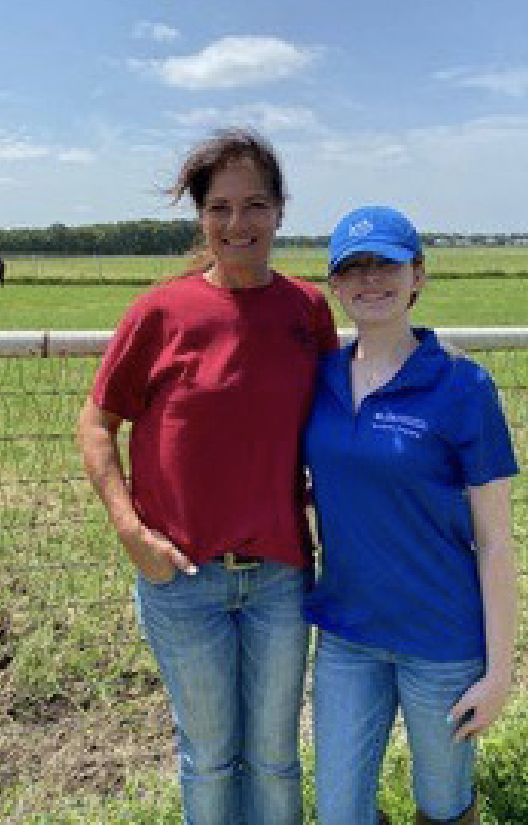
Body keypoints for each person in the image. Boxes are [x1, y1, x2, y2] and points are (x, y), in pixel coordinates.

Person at [77, 129, 338, 825]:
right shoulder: (160, 313)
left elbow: (334, 427)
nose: (237, 224)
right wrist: (130, 531)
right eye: (219, 207)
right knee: (210, 756)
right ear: (201, 216)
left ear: (281, 211)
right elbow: (96, 425)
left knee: (277, 757)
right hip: (183, 580)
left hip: (281, 576)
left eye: (254, 205)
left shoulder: (307, 312)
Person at [302, 206, 518, 825]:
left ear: (418, 275)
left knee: (444, 808)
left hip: (441, 643)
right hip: (347, 635)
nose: (371, 280)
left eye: (387, 264)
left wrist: (499, 673)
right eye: (354, 268)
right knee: (339, 811)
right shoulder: (319, 380)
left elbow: (497, 541)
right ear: (335, 286)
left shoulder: (462, 386)